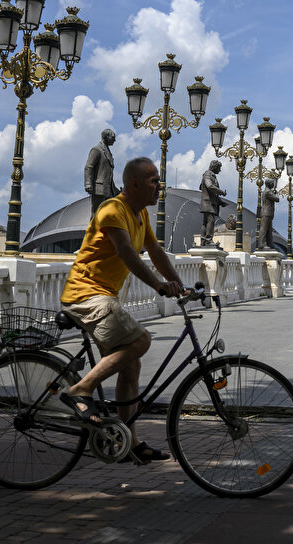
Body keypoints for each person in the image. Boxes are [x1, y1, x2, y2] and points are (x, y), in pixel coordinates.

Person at [58, 157, 185, 463]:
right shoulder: (112, 209)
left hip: (104, 295)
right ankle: (81, 389)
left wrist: (179, 283)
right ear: (134, 185)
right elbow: (127, 253)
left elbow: (155, 251)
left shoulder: (140, 215)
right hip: (86, 294)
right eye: (153, 180)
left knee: (131, 366)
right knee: (140, 341)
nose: (159, 186)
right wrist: (158, 286)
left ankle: (128, 441)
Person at [84, 129, 119, 217]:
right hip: (99, 189)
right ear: (106, 137)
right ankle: (93, 230)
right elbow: (89, 167)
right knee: (97, 214)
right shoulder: (96, 150)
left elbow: (109, 175)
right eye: (113, 138)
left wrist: (116, 190)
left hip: (108, 191)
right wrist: (88, 183)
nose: (114, 140)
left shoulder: (107, 151)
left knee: (107, 215)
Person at [198, 160, 226, 247]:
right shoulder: (208, 174)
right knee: (210, 221)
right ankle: (208, 240)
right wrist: (221, 191)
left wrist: (220, 202)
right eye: (219, 168)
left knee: (206, 222)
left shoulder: (211, 175)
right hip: (208, 202)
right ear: (215, 167)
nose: (220, 170)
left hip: (210, 202)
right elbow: (209, 186)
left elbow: (210, 191)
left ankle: (204, 241)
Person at [255, 177, 278, 250]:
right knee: (264, 229)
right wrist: (276, 194)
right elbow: (277, 199)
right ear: (269, 184)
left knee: (269, 230)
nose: (273, 184)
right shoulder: (268, 192)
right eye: (272, 183)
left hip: (268, 213)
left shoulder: (267, 191)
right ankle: (262, 244)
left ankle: (269, 243)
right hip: (266, 212)